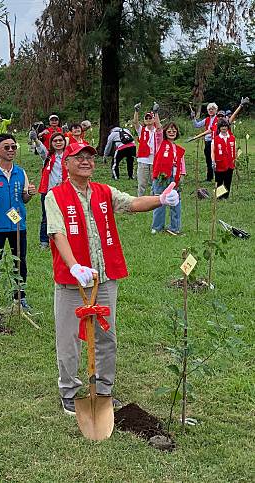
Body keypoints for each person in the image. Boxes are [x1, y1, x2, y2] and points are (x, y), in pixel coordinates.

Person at [45, 143, 180, 414]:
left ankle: (104, 389)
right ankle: (69, 391)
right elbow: (57, 233)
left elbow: (131, 203)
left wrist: (160, 200)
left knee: (107, 335)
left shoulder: (104, 191)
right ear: (67, 163)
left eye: (89, 158)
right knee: (69, 336)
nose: (86, 162)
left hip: (104, 277)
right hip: (74, 280)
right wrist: (73, 266)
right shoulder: (55, 196)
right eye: (79, 158)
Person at [0, 133, 36, 311]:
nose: (11, 150)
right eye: (6, 147)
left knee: (20, 261)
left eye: (13, 147)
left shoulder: (20, 172)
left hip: (18, 225)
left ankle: (20, 297)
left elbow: (24, 199)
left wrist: (29, 194)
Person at [151, 122, 185, 235]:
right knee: (159, 201)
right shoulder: (161, 143)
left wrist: (182, 176)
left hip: (174, 177)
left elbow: (181, 163)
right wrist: (155, 114)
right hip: (162, 177)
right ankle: (157, 227)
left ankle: (174, 227)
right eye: (169, 131)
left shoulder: (179, 149)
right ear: (165, 132)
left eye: (174, 131)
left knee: (175, 201)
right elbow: (159, 130)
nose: (171, 133)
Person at [35, 132, 68, 248]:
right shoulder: (48, 156)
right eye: (55, 141)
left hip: (66, 191)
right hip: (49, 191)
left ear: (65, 142)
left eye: (60, 140)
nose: (58, 143)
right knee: (46, 216)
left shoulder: (70, 156)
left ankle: (64, 240)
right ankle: (44, 241)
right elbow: (41, 149)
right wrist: (35, 139)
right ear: (51, 143)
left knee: (65, 215)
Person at [132, 102, 162, 196]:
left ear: (153, 119)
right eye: (146, 118)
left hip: (155, 159)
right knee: (142, 182)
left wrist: (156, 112)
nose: (148, 120)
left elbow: (159, 125)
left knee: (155, 181)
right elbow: (135, 122)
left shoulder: (157, 131)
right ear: (144, 121)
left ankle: (154, 199)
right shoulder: (142, 130)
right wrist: (136, 111)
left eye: (150, 118)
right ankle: (140, 199)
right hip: (143, 159)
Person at [211, 119, 236, 199]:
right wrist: (213, 161)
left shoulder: (232, 138)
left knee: (228, 181)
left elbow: (234, 150)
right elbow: (213, 152)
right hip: (219, 163)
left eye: (225, 126)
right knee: (219, 181)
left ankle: (226, 197)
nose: (224, 128)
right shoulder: (215, 139)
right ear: (219, 128)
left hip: (229, 164)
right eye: (222, 126)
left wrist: (235, 160)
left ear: (228, 127)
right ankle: (219, 197)